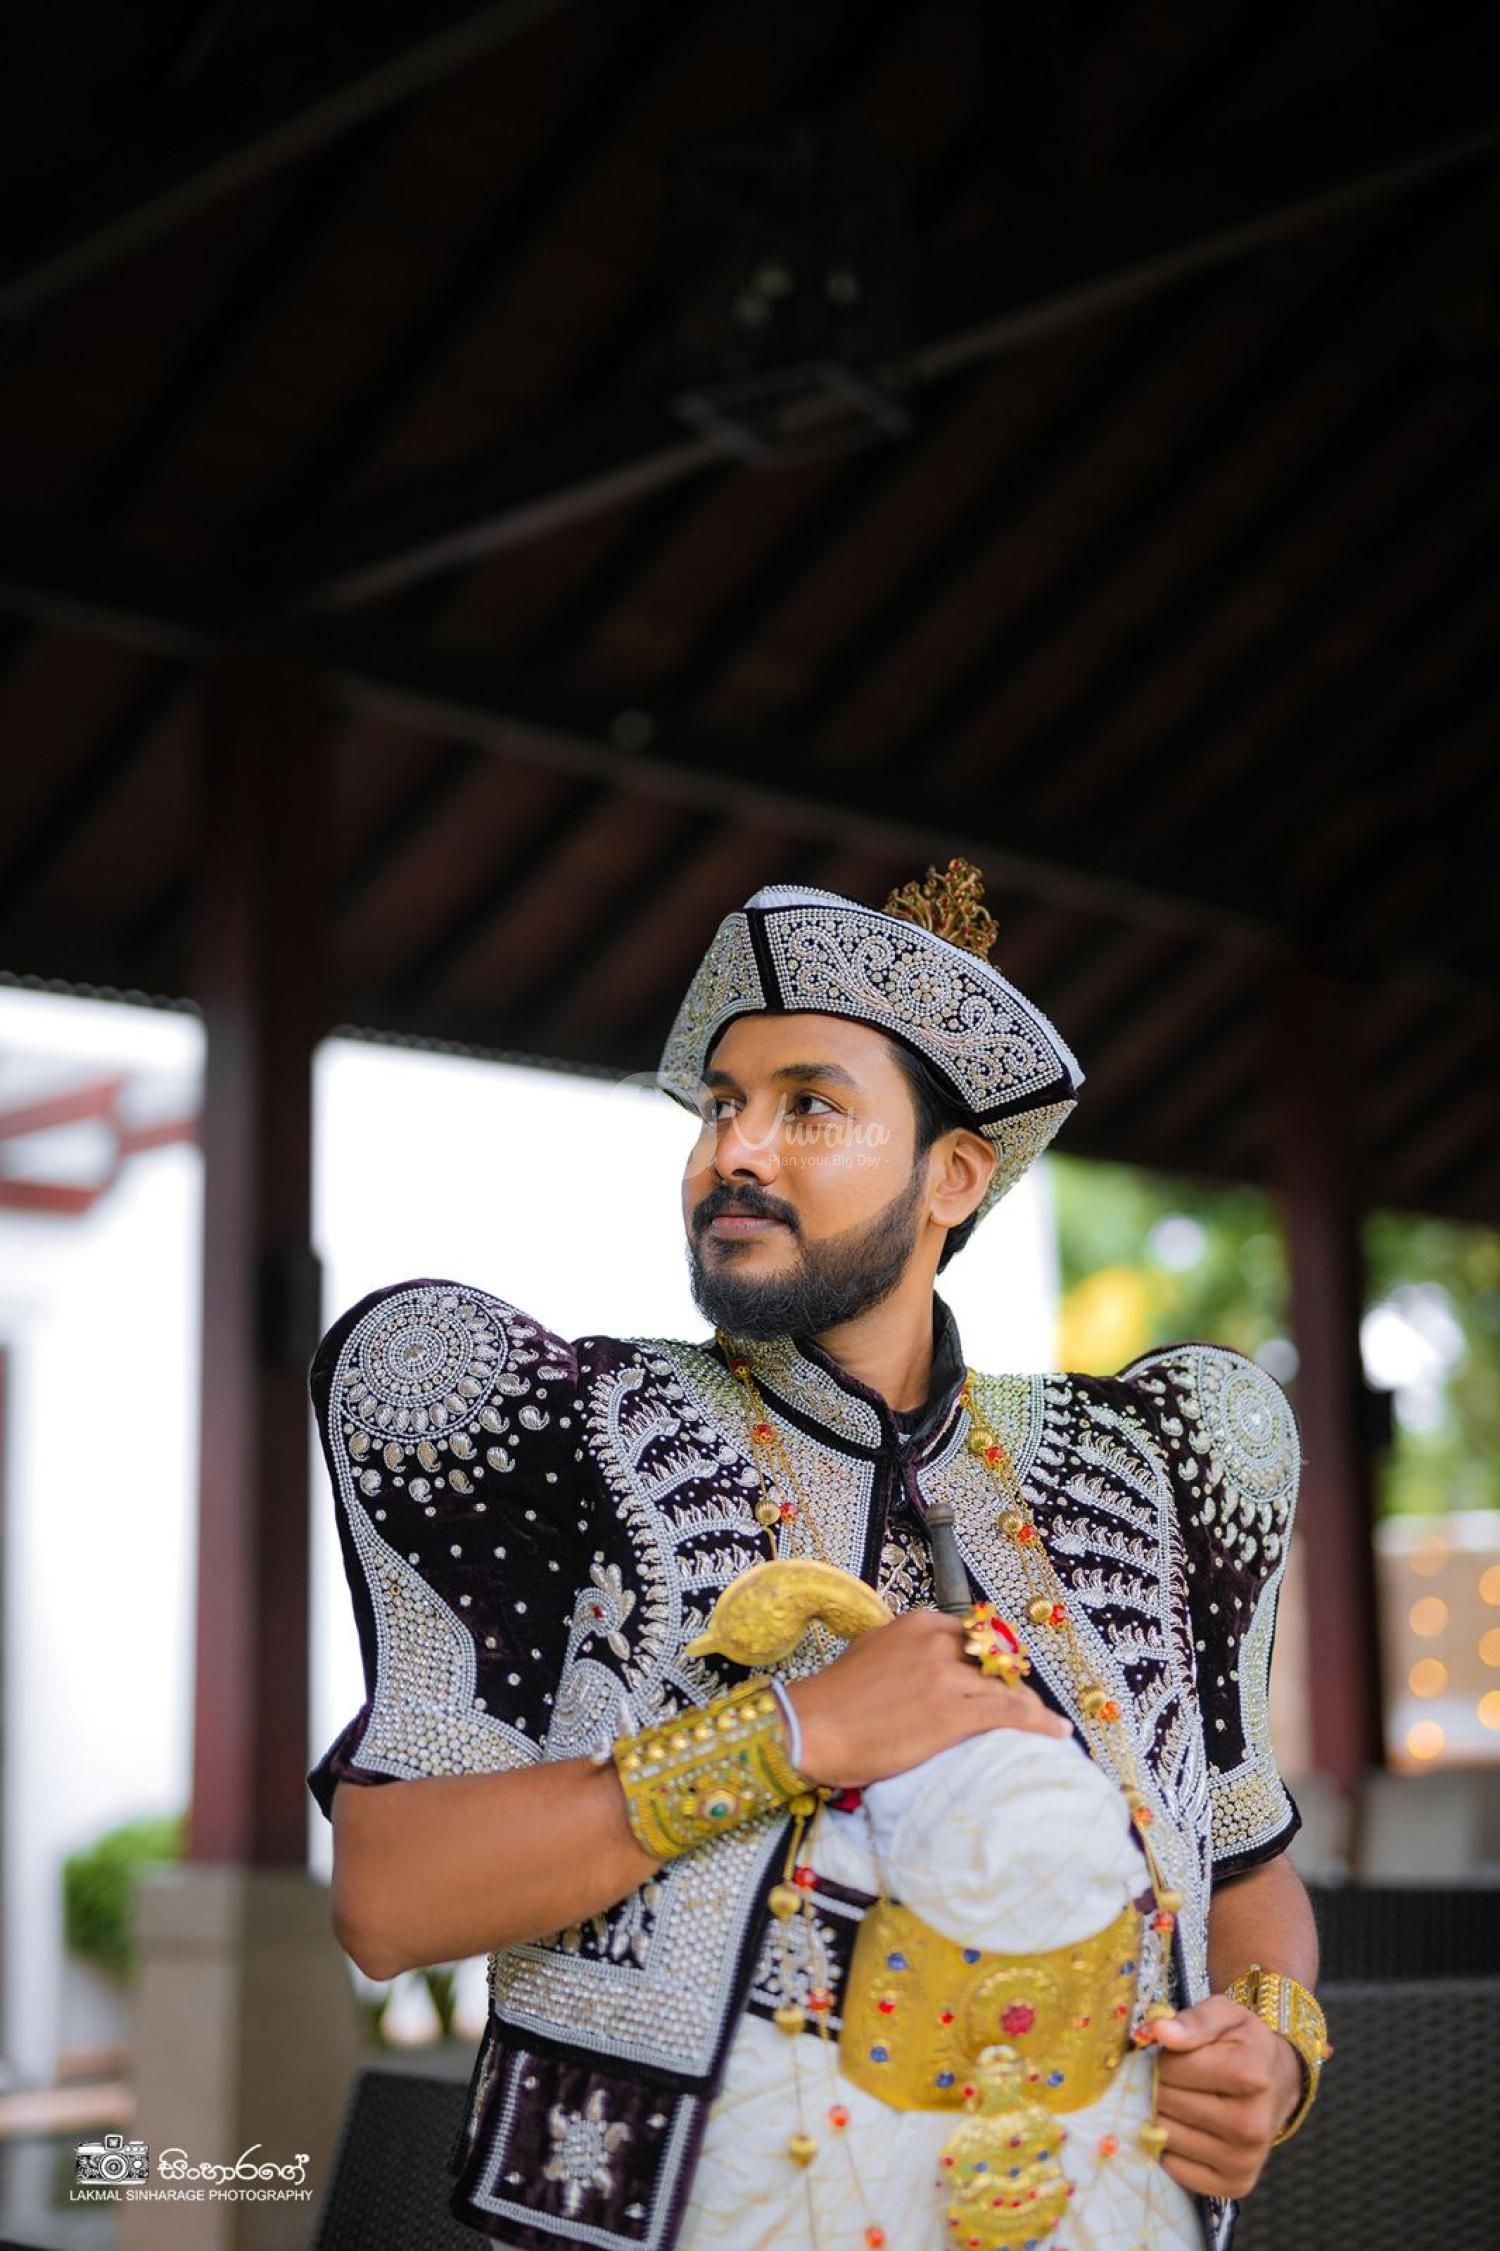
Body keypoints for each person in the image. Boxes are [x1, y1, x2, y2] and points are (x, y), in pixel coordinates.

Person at [308, 860, 1328, 2251]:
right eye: (720, 1105)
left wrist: (1273, 2039)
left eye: (809, 1106)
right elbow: (389, 1899)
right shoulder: (567, 1429)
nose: (735, 1151)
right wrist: (793, 1732)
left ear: (952, 1176)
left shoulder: (1141, 1472)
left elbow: (1247, 1867)